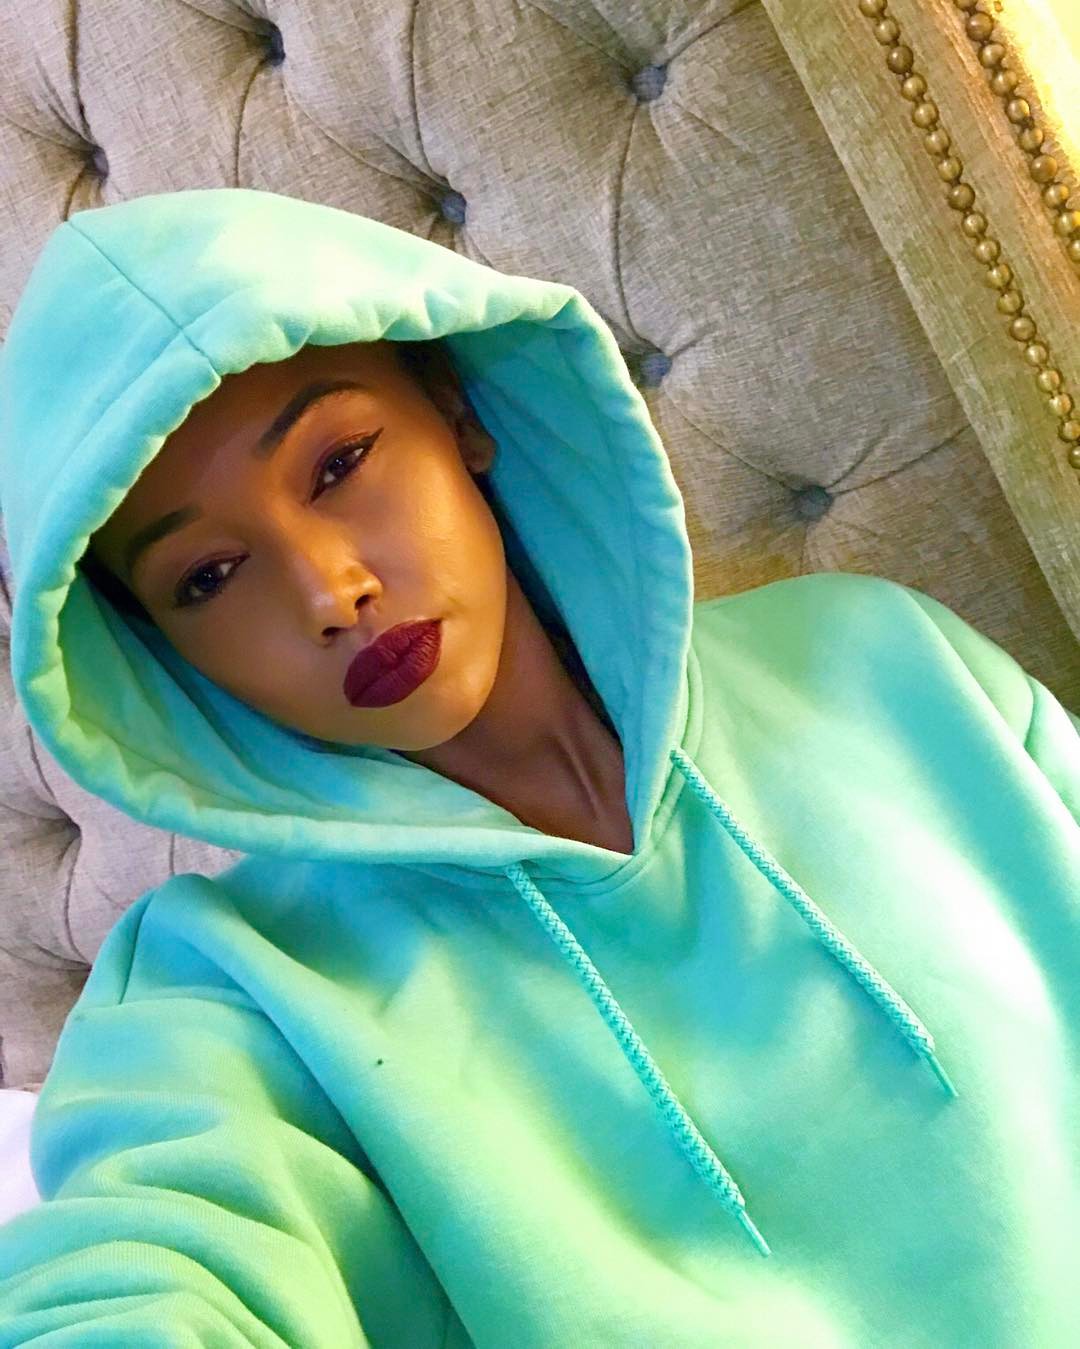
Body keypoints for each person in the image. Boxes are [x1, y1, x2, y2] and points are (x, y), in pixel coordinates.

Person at [0, 186, 1076, 1346]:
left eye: (339, 462)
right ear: (163, 651)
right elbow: (140, 1269)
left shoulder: (889, 665)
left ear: (453, 411)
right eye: (208, 576)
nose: (328, 592)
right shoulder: (219, 988)